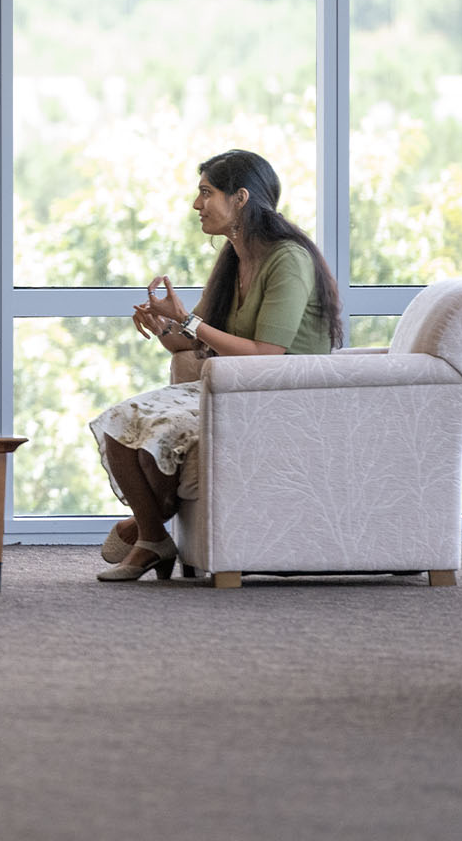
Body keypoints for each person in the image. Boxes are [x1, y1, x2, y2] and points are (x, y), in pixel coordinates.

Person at [90, 149, 343, 582]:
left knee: (146, 436)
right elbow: (188, 341)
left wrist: (188, 321)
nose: (197, 204)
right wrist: (165, 322)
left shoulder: (288, 259)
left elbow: (266, 356)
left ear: (240, 198)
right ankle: (153, 538)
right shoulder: (234, 256)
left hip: (280, 398)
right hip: (233, 390)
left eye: (206, 192)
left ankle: (144, 534)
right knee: (119, 429)